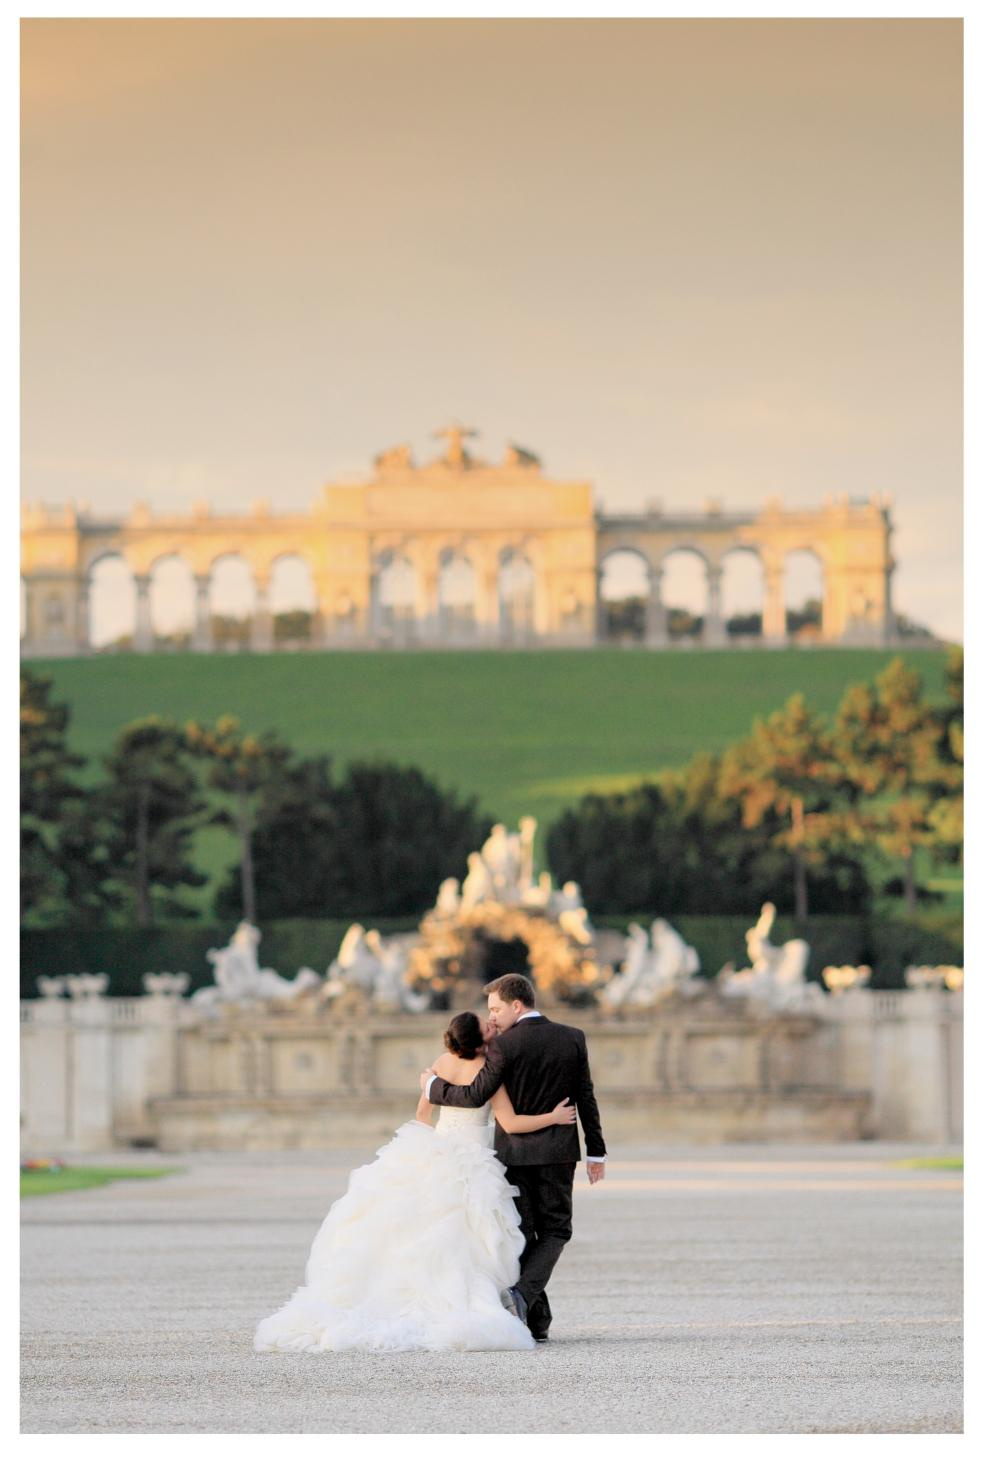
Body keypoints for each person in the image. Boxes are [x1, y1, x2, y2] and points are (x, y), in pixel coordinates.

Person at [254, 1009, 577, 1354]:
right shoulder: (491, 1072)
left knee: (413, 1225)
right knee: (477, 1234)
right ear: (481, 1040)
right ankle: (511, 1305)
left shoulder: (439, 1064)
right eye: (488, 1026)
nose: (493, 1025)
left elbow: (422, 1116)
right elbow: (510, 1124)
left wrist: (424, 1154)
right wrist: (554, 1117)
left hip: (438, 1148)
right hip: (473, 1156)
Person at [423, 972, 606, 1343]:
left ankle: (534, 1317)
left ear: (516, 1005)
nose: (491, 1017)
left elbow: (474, 1095)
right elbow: (586, 1096)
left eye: (495, 1008)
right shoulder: (573, 1037)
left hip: (514, 1154)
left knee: (523, 1235)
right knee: (556, 1230)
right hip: (558, 1153)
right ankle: (524, 1302)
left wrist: (431, 1086)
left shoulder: (502, 1046)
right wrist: (596, 1151)